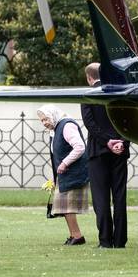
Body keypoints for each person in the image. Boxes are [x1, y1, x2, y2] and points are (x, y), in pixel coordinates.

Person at [80, 62, 129, 248]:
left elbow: (90, 124)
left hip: (98, 151)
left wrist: (107, 142)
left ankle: (105, 241)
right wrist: (121, 142)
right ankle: (120, 240)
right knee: (119, 197)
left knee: (100, 198)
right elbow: (128, 122)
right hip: (120, 151)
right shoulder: (119, 93)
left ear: (89, 77)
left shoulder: (88, 95)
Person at [37, 104, 89, 246]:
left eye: (46, 119)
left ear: (53, 115)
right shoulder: (55, 130)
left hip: (74, 172)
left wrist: (65, 163)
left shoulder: (67, 125)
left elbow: (80, 147)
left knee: (66, 206)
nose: (44, 123)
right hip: (65, 174)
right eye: (41, 121)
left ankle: (77, 236)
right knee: (62, 206)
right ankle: (74, 235)